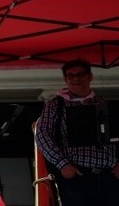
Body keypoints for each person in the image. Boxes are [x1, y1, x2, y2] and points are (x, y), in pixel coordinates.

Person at [35, 58, 119, 206]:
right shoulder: (56, 105)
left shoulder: (102, 103)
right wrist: (62, 164)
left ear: (89, 76)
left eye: (81, 74)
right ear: (65, 80)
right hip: (78, 177)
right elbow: (42, 135)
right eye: (70, 75)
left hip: (110, 176)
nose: (76, 78)